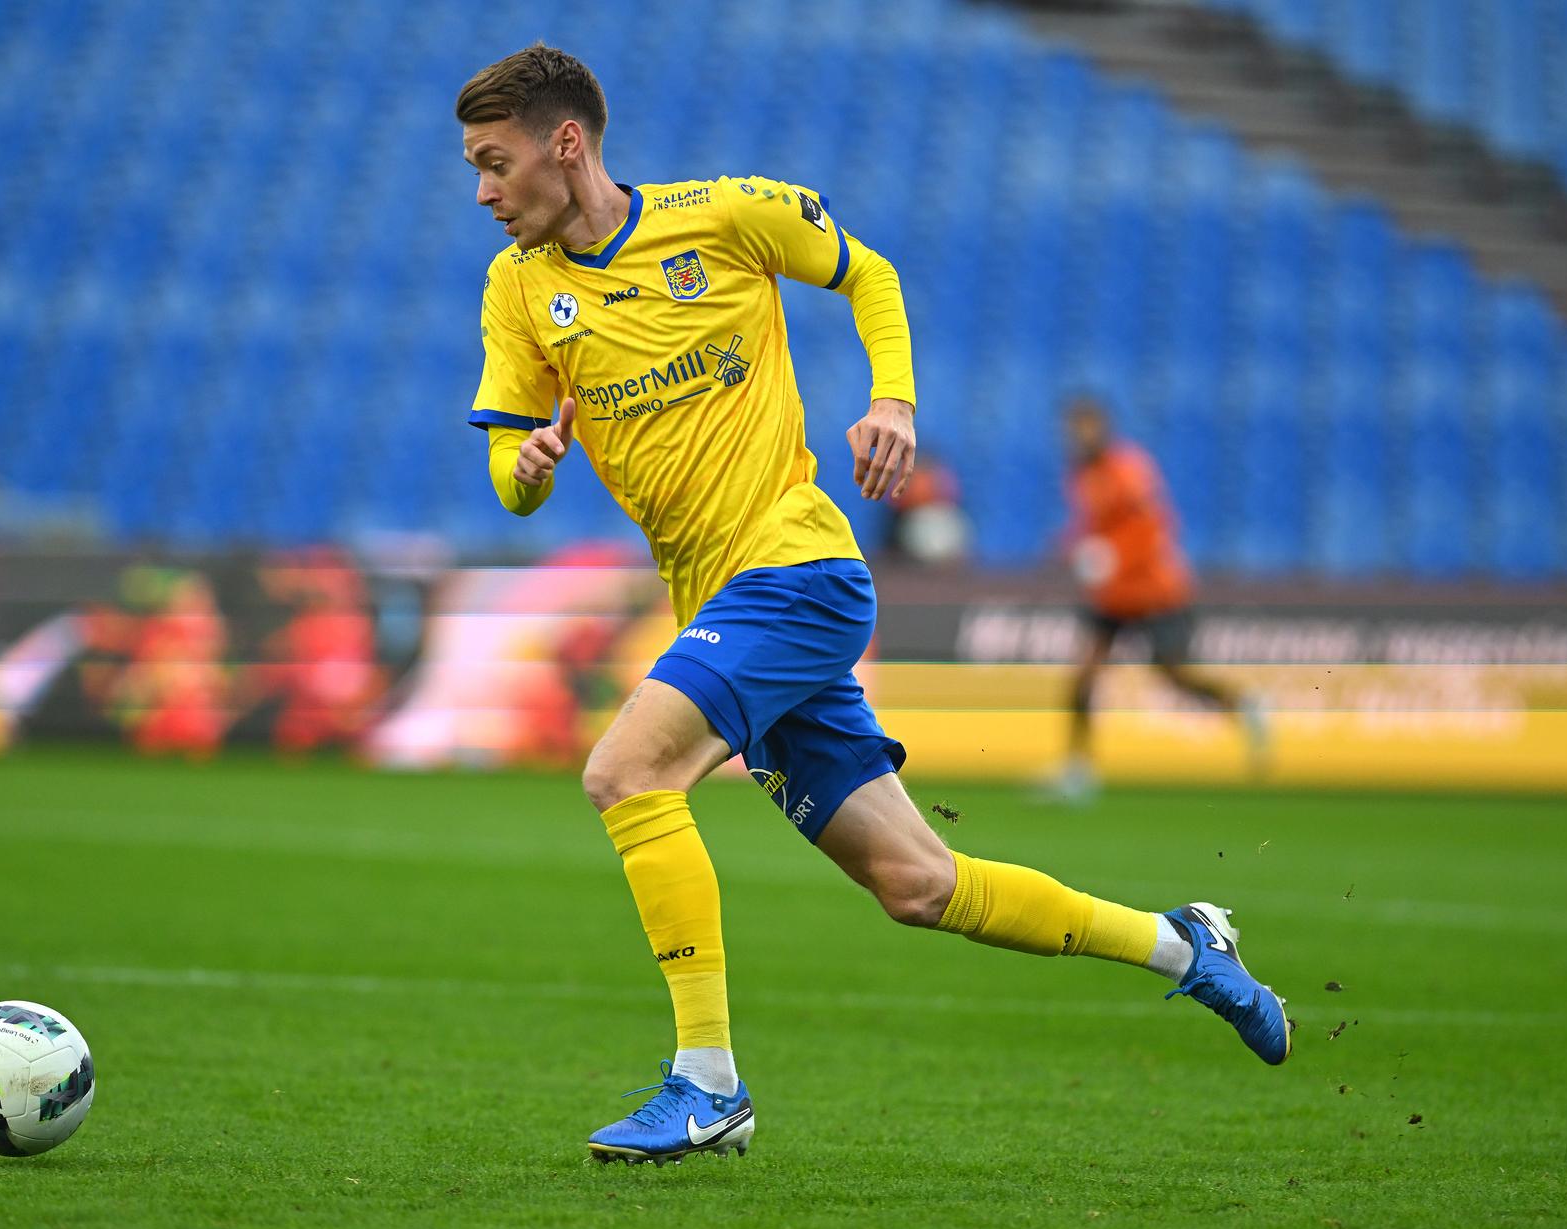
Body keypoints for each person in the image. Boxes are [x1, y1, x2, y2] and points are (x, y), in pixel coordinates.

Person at [457, 46, 1290, 1166]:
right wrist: (538, 462)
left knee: (626, 770)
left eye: (495, 162)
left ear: (567, 144)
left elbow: (872, 274)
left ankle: (707, 1082)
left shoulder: (726, 215)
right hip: (723, 602)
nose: (482, 191)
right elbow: (511, 482)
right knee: (918, 882)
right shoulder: (517, 290)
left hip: (794, 572)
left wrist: (890, 398)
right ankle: (1186, 946)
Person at [1055, 397, 1268, 802]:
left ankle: (1244, 704)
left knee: (1173, 673)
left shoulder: (1128, 468)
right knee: (1083, 676)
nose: (1078, 434)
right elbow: (1092, 527)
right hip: (1113, 595)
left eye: (1085, 425)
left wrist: (1113, 556)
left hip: (1153, 589)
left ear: (1103, 426)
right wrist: (1073, 547)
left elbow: (1153, 527)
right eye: (1072, 427)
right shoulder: (1081, 475)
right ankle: (1078, 771)